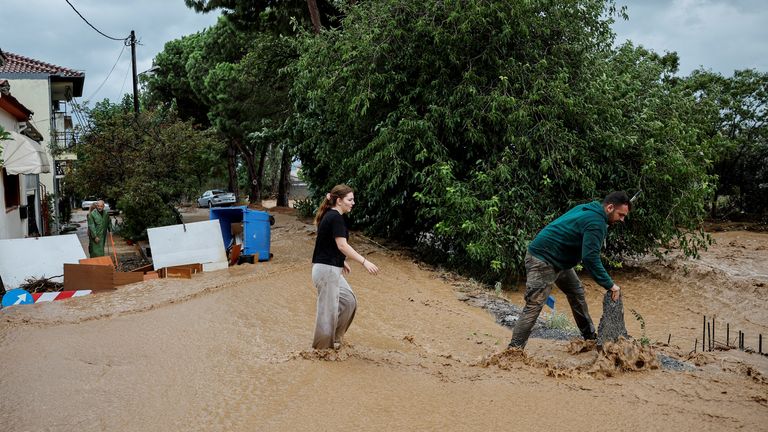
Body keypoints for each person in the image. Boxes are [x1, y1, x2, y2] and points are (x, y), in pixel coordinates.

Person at [508, 191, 631, 349]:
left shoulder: (590, 209)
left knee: (576, 293)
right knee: (534, 305)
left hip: (560, 261)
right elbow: (590, 258)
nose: (622, 219)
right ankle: (514, 351)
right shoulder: (596, 222)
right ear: (609, 207)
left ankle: (590, 338)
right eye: (621, 215)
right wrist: (610, 285)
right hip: (542, 259)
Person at [311, 184, 379, 350]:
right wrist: (364, 261)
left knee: (349, 301)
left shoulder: (333, 217)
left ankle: (335, 339)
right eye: (350, 199)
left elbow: (327, 244)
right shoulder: (335, 217)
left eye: (353, 199)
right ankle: (322, 351)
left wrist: (341, 262)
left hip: (330, 268)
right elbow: (342, 245)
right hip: (326, 271)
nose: (353, 202)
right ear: (339, 201)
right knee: (327, 315)